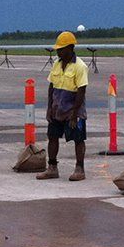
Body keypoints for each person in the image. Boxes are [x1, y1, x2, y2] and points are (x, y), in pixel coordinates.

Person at [37, 31, 88, 181]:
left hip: (73, 110)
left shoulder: (80, 66)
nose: (58, 51)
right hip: (57, 109)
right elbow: (51, 86)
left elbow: (81, 91)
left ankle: (80, 168)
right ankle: (52, 167)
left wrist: (74, 115)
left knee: (78, 139)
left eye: (61, 48)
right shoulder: (56, 64)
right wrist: (49, 108)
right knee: (52, 136)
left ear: (70, 48)